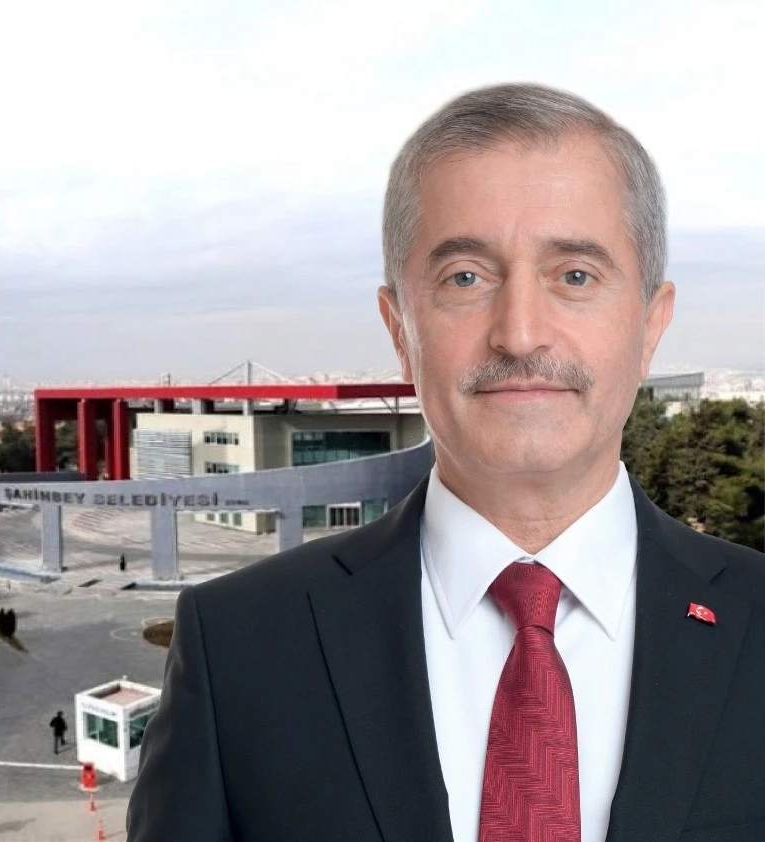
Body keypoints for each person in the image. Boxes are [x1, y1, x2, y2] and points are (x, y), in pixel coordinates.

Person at [126, 83, 765, 842]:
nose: (520, 333)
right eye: (466, 276)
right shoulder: (239, 644)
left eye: (575, 276)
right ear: (400, 328)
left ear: (650, 324)